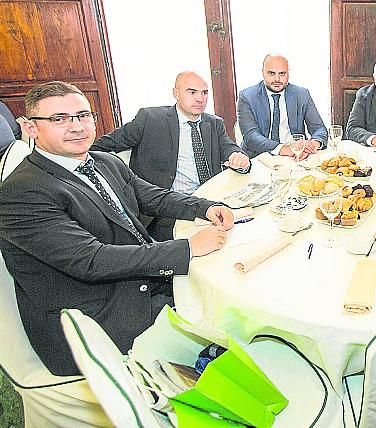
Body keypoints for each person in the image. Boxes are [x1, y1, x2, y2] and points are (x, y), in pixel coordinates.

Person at [0, 81, 235, 376]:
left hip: (140, 281)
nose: (76, 127)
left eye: (83, 116)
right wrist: (187, 248)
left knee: (231, 288)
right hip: (98, 317)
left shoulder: (103, 161)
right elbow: (91, 261)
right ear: (31, 128)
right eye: (59, 119)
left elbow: (150, 195)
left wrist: (203, 207)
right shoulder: (22, 191)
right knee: (230, 316)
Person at [92, 71, 250, 240]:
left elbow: (230, 149)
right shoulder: (149, 119)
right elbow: (100, 148)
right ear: (176, 93)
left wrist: (239, 157)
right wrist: (118, 179)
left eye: (204, 93)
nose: (200, 98)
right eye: (192, 92)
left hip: (209, 202)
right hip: (166, 211)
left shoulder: (214, 123)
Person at [237, 54, 327, 159]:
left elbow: (319, 128)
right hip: (259, 157)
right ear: (263, 72)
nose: (277, 79)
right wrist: (283, 148)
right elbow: (251, 136)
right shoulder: (247, 96)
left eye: (282, 73)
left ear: (288, 73)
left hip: (296, 156)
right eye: (271, 73)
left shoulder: (302, 94)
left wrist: (313, 144)